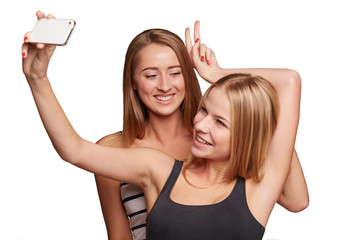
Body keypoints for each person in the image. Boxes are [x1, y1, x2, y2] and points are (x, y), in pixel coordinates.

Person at [22, 11, 306, 240]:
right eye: (150, 75)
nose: (165, 85)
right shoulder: (155, 167)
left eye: (175, 72)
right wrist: (37, 79)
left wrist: (217, 74)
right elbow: (75, 150)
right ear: (132, 81)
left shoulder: (250, 181)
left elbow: (289, 82)